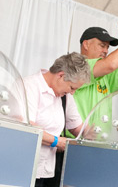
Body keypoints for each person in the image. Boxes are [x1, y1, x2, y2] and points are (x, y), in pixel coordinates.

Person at [24, 53, 91, 187]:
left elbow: (77, 127)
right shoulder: (29, 86)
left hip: (47, 170)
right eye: (72, 88)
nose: (72, 93)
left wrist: (92, 135)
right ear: (61, 75)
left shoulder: (65, 96)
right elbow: (27, 127)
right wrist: (56, 141)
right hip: (25, 167)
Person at [71, 22, 118, 124]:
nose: (106, 51)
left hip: (100, 139)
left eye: (107, 47)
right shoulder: (76, 65)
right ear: (86, 44)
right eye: (102, 45)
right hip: (76, 138)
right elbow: (111, 64)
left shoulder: (106, 72)